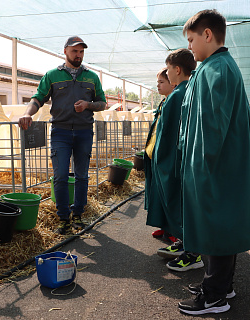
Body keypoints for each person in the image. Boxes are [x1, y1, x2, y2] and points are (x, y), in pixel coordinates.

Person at [177, 9, 250, 315]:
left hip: (214, 168)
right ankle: (221, 285)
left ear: (207, 35)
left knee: (215, 227)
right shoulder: (215, 67)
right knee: (219, 226)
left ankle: (214, 297)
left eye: (192, 40)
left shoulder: (216, 70)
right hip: (218, 166)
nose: (190, 47)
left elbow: (213, 128)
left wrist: (201, 167)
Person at [18, 36, 106, 235]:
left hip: (84, 131)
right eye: (75, 51)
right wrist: (26, 113)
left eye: (81, 51)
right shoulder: (52, 76)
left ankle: (78, 215)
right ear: (65, 51)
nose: (79, 55)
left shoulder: (91, 77)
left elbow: (102, 103)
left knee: (82, 175)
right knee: (60, 175)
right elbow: (38, 98)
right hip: (61, 131)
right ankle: (64, 218)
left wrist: (87, 105)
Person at [145, 49, 203, 271]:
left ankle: (192, 252)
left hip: (173, 163)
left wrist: (163, 164)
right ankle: (186, 244)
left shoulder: (178, 95)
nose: (167, 75)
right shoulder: (186, 91)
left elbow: (169, 136)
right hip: (179, 162)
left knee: (180, 205)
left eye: (168, 71)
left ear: (177, 70)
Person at [145, 67, 176, 243]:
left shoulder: (173, 100)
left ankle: (172, 230)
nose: (158, 85)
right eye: (157, 82)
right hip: (154, 155)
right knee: (157, 194)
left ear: (172, 82)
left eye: (161, 82)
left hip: (164, 157)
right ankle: (164, 227)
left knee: (167, 194)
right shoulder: (164, 102)